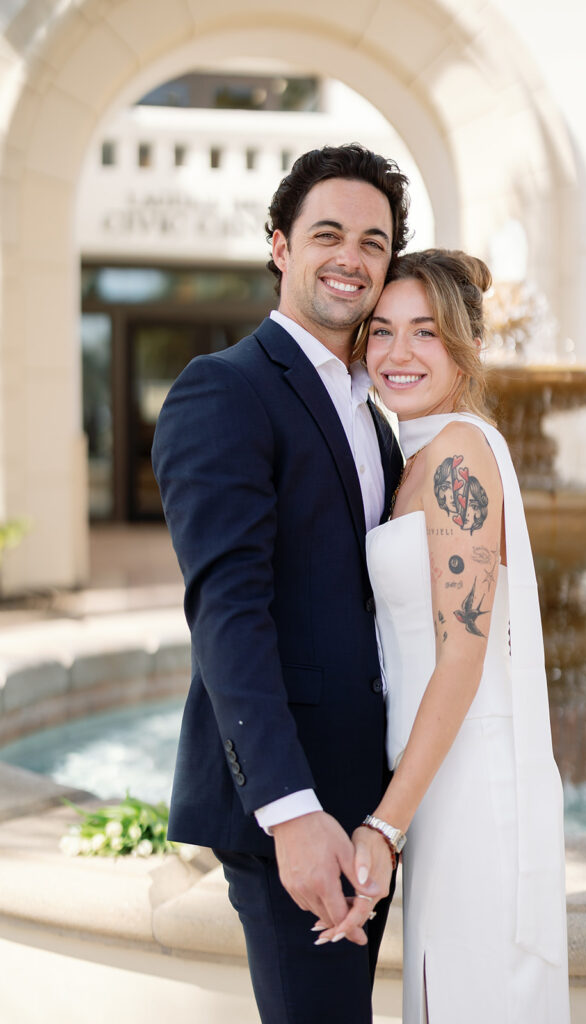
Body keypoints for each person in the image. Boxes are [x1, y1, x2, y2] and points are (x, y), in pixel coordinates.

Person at [151, 144, 407, 1024]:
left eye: (373, 242)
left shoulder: (374, 414)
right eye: (328, 233)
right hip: (290, 799)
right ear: (279, 246)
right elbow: (226, 610)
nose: (351, 257)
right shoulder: (222, 391)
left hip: (370, 793)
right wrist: (289, 812)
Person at [317, 249, 571, 1022]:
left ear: (464, 346)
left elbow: (462, 655)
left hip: (473, 789)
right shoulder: (415, 456)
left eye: (424, 333)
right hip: (434, 781)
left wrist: (383, 828)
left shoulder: (458, 453)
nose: (396, 354)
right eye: (382, 331)